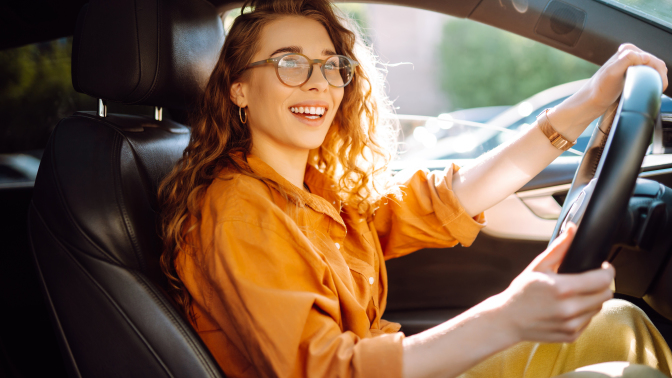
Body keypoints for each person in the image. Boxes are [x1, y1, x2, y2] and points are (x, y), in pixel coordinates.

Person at [157, 0, 672, 377]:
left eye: (333, 66)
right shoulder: (236, 210)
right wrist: (508, 315)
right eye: (290, 63)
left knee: (622, 327)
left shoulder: (319, 193)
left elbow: (450, 199)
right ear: (239, 87)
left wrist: (587, 99)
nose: (319, 83)